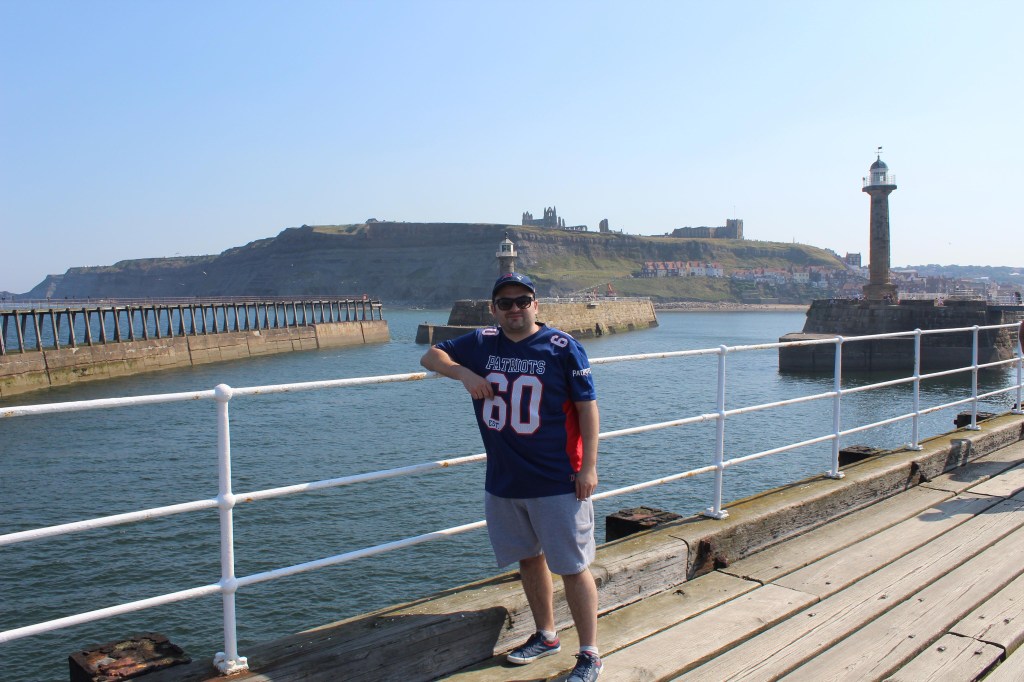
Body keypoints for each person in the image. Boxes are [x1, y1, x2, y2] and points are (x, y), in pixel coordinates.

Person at [420, 272, 603, 681]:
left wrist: (588, 467)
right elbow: (430, 356)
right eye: (505, 303)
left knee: (573, 567)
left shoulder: (562, 347)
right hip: (504, 479)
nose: (515, 308)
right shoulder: (482, 342)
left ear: (536, 304)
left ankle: (590, 653)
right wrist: (465, 374)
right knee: (528, 558)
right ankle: (546, 635)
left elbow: (587, 409)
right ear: (494, 309)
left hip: (556, 478)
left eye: (523, 301)